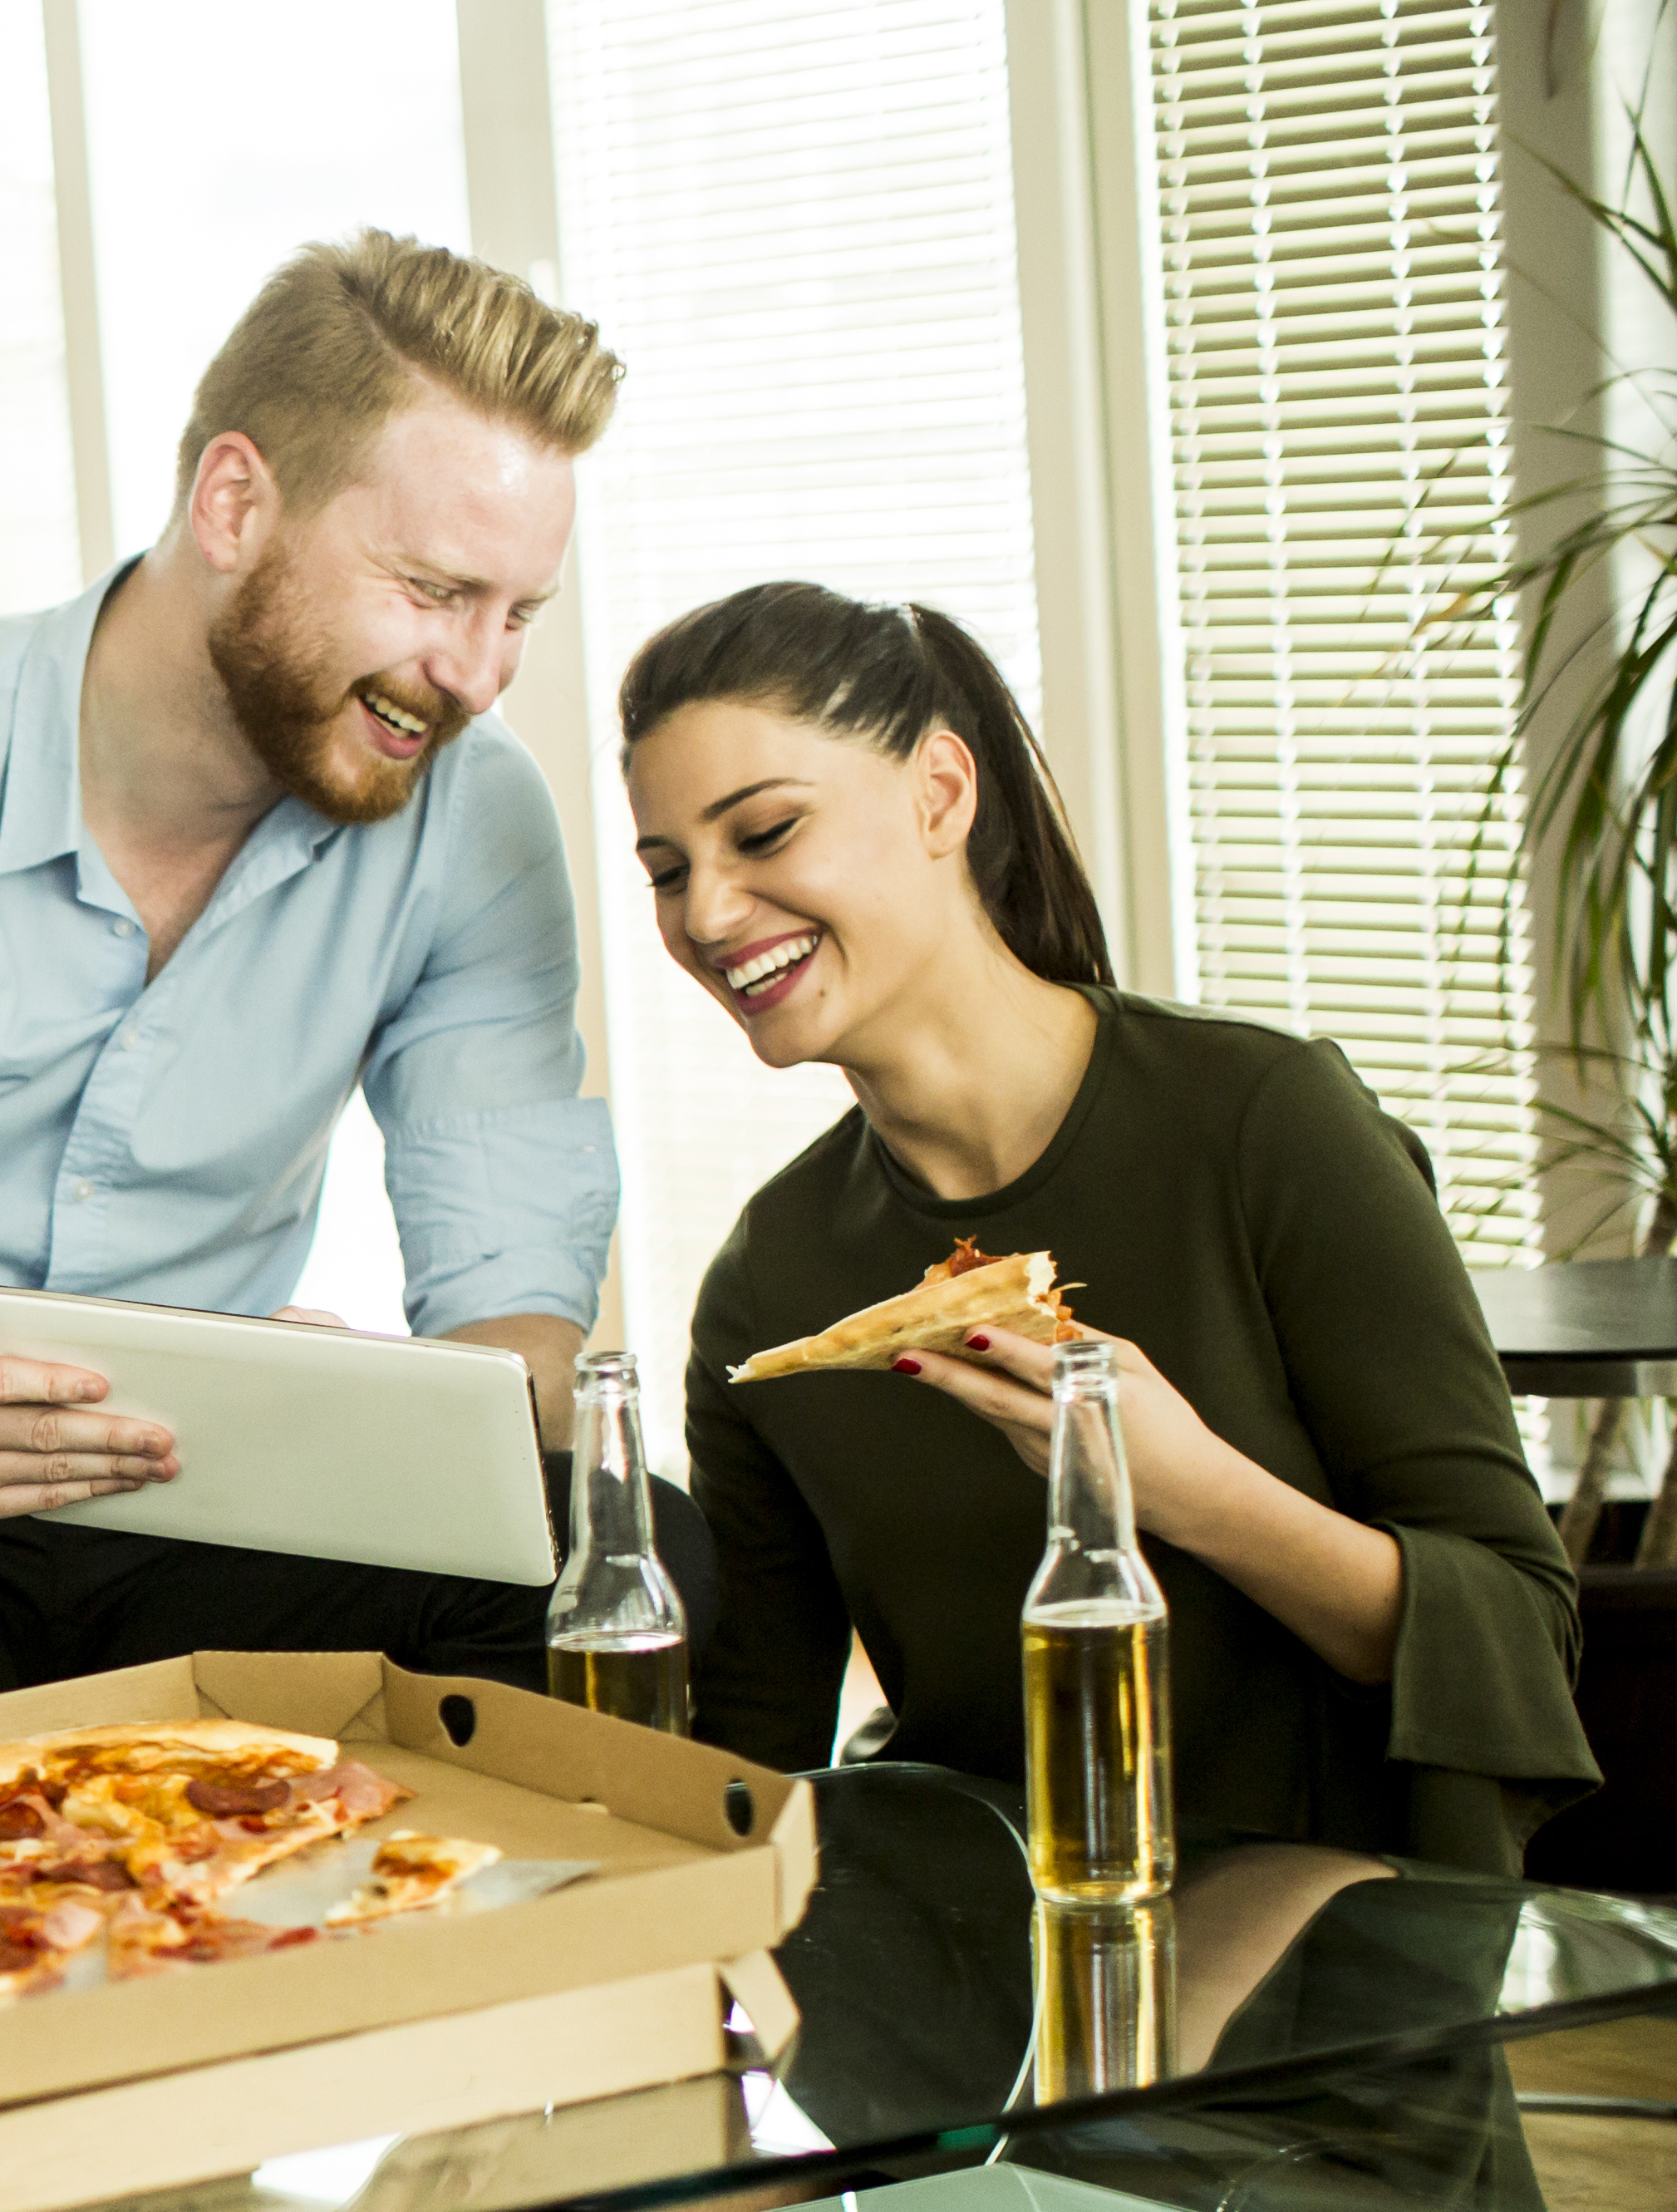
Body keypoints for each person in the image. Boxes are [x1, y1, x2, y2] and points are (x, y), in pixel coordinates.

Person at [0, 230, 689, 1749]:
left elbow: (523, 1341)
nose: (476, 676)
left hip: (213, 1515)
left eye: (518, 613)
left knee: (642, 1546)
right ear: (235, 502)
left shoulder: (474, 816)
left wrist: (373, 1404)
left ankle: (480, 1973)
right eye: (435, 590)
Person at [627, 583, 1595, 1864]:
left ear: (939, 794)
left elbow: (1516, 1637)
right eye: (668, 871)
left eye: (764, 833)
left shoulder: (1263, 1126)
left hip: (1346, 1987)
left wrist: (1188, 1490)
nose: (706, 914)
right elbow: (760, 1752)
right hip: (984, 2007)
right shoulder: (769, 1284)